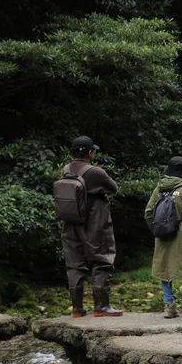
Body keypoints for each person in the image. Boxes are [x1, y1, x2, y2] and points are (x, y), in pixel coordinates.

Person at [57, 136, 122, 317]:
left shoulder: (65, 169)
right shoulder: (96, 172)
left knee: (74, 265)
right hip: (94, 223)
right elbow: (114, 188)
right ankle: (101, 306)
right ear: (90, 152)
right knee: (101, 259)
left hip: (70, 224)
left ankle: (77, 309)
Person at [144, 157, 182, 320]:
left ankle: (169, 308)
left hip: (161, 236)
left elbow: (148, 212)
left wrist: (157, 229)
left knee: (164, 270)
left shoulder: (159, 188)